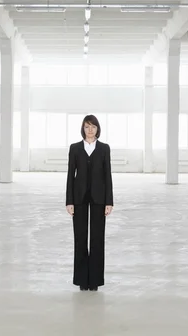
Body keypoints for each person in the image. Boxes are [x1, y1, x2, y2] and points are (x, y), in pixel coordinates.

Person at [66, 114, 114, 291]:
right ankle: (81, 281)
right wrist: (69, 201)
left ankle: (94, 281)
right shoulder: (75, 148)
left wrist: (109, 201)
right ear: (83, 129)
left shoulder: (104, 148)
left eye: (93, 126)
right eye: (87, 126)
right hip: (78, 198)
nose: (90, 130)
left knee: (97, 239)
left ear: (98, 129)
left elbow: (107, 175)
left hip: (99, 198)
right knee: (80, 239)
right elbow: (70, 176)